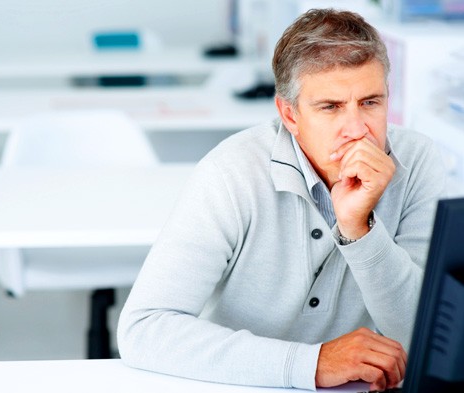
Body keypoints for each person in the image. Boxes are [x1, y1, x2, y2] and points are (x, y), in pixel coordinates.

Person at [117, 8, 446, 391]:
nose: (358, 130)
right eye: (330, 107)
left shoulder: (418, 162)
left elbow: (423, 335)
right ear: (289, 115)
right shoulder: (230, 173)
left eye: (371, 102)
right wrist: (311, 363)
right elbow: (144, 328)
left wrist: (360, 230)